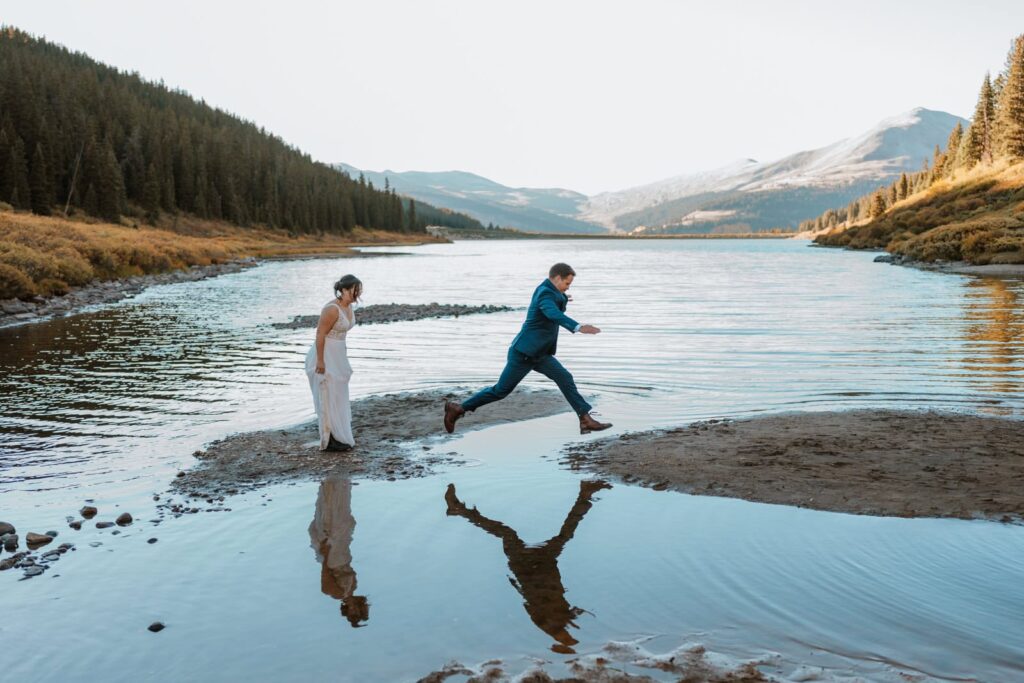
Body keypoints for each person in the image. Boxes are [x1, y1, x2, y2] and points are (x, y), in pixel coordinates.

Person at [444, 480, 612, 653]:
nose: (570, 637)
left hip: (525, 565)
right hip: (542, 564)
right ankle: (585, 495)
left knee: (510, 533)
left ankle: (459, 509)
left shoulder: (546, 620)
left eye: (567, 640)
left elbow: (534, 606)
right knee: (552, 535)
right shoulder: (557, 618)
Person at [444, 263, 611, 435]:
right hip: (524, 353)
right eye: (567, 283)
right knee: (500, 391)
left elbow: (554, 303)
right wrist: (578, 326)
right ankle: (458, 409)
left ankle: (585, 419)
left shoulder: (551, 291)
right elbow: (552, 313)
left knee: (565, 378)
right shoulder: (545, 293)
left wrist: (563, 298)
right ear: (558, 278)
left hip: (540, 354)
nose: (568, 286)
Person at [305, 275, 361, 452]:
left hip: (339, 355)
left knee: (339, 394)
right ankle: (329, 439)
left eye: (358, 290)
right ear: (344, 290)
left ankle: (339, 434)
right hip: (325, 354)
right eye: (354, 290)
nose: (357, 294)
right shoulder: (331, 309)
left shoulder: (349, 307)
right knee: (327, 394)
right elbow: (320, 334)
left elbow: (342, 334)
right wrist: (320, 361)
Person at [309, 476, 369, 627]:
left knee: (330, 519)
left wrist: (325, 551)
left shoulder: (335, 593)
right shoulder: (352, 587)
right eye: (358, 610)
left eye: (354, 611)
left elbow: (325, 574)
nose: (355, 608)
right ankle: (336, 484)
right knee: (341, 517)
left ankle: (330, 485)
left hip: (332, 556)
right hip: (342, 555)